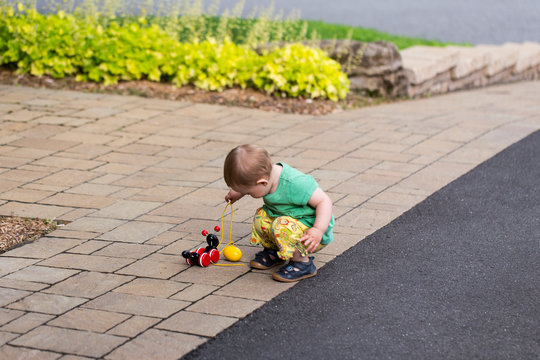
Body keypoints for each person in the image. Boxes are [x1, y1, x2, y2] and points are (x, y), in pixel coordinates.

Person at [223, 144, 334, 282]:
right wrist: (237, 192)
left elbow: (325, 201)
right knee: (262, 216)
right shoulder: (265, 176)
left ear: (263, 182)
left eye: (248, 192)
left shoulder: (295, 183)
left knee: (281, 225)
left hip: (310, 234)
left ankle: (302, 263)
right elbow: (248, 184)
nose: (247, 194)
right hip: (287, 223)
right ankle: (275, 252)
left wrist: (318, 230)